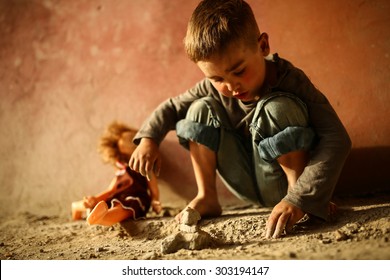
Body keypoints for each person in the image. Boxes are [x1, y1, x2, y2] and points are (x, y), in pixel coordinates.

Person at [128, 0, 351, 238]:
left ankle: (296, 201)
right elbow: (172, 107)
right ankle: (207, 197)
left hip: (285, 186)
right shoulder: (212, 89)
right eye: (216, 78)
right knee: (198, 108)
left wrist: (304, 196)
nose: (231, 86)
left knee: (278, 106)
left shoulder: (291, 80)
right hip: (243, 181)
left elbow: (336, 137)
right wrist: (148, 139)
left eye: (239, 71)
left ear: (263, 45)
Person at [71, 121, 161, 226]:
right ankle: (78, 207)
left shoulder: (146, 168)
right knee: (97, 202)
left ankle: (103, 217)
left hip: (137, 197)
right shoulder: (122, 170)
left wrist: (155, 201)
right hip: (120, 196)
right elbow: (111, 190)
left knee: (126, 207)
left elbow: (154, 189)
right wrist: (96, 198)